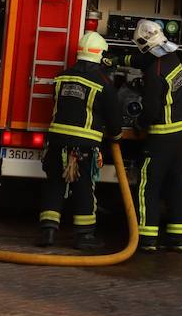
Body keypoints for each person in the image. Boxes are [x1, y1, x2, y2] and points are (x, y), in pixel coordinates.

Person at [37, 30, 123, 250]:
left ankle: (47, 231)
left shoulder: (62, 76)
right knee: (84, 187)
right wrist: (117, 135)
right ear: (101, 55)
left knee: (55, 184)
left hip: (56, 142)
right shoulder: (103, 83)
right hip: (84, 145)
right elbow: (114, 119)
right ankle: (84, 236)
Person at [133, 18, 182, 252]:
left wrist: (138, 123)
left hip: (161, 138)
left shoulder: (154, 73)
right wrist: (120, 59)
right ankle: (177, 238)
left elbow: (151, 111)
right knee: (176, 185)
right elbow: (144, 59)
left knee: (149, 187)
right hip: (180, 135)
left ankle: (147, 239)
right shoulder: (172, 59)